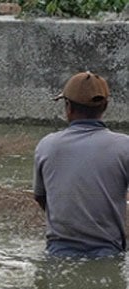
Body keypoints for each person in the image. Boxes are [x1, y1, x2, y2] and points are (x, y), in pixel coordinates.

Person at [33, 71, 129, 258]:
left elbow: (40, 197)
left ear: (68, 107)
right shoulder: (124, 146)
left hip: (58, 253)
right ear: (106, 106)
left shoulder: (47, 145)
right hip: (109, 254)